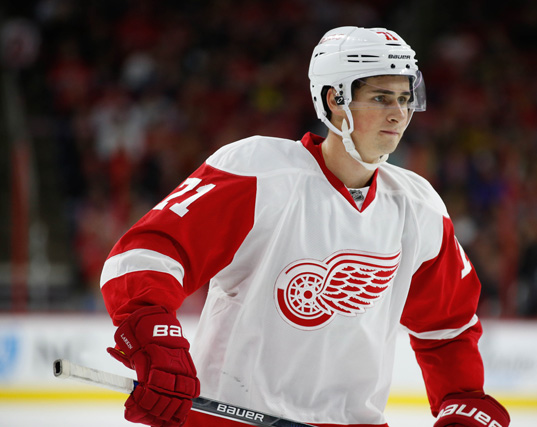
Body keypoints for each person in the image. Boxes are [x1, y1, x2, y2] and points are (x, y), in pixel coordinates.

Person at [100, 26, 510, 427]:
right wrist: (155, 337)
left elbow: (449, 326)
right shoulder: (258, 173)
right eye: (381, 98)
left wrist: (462, 401)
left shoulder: (418, 206)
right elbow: (146, 253)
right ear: (335, 100)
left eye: (405, 98)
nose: (399, 114)